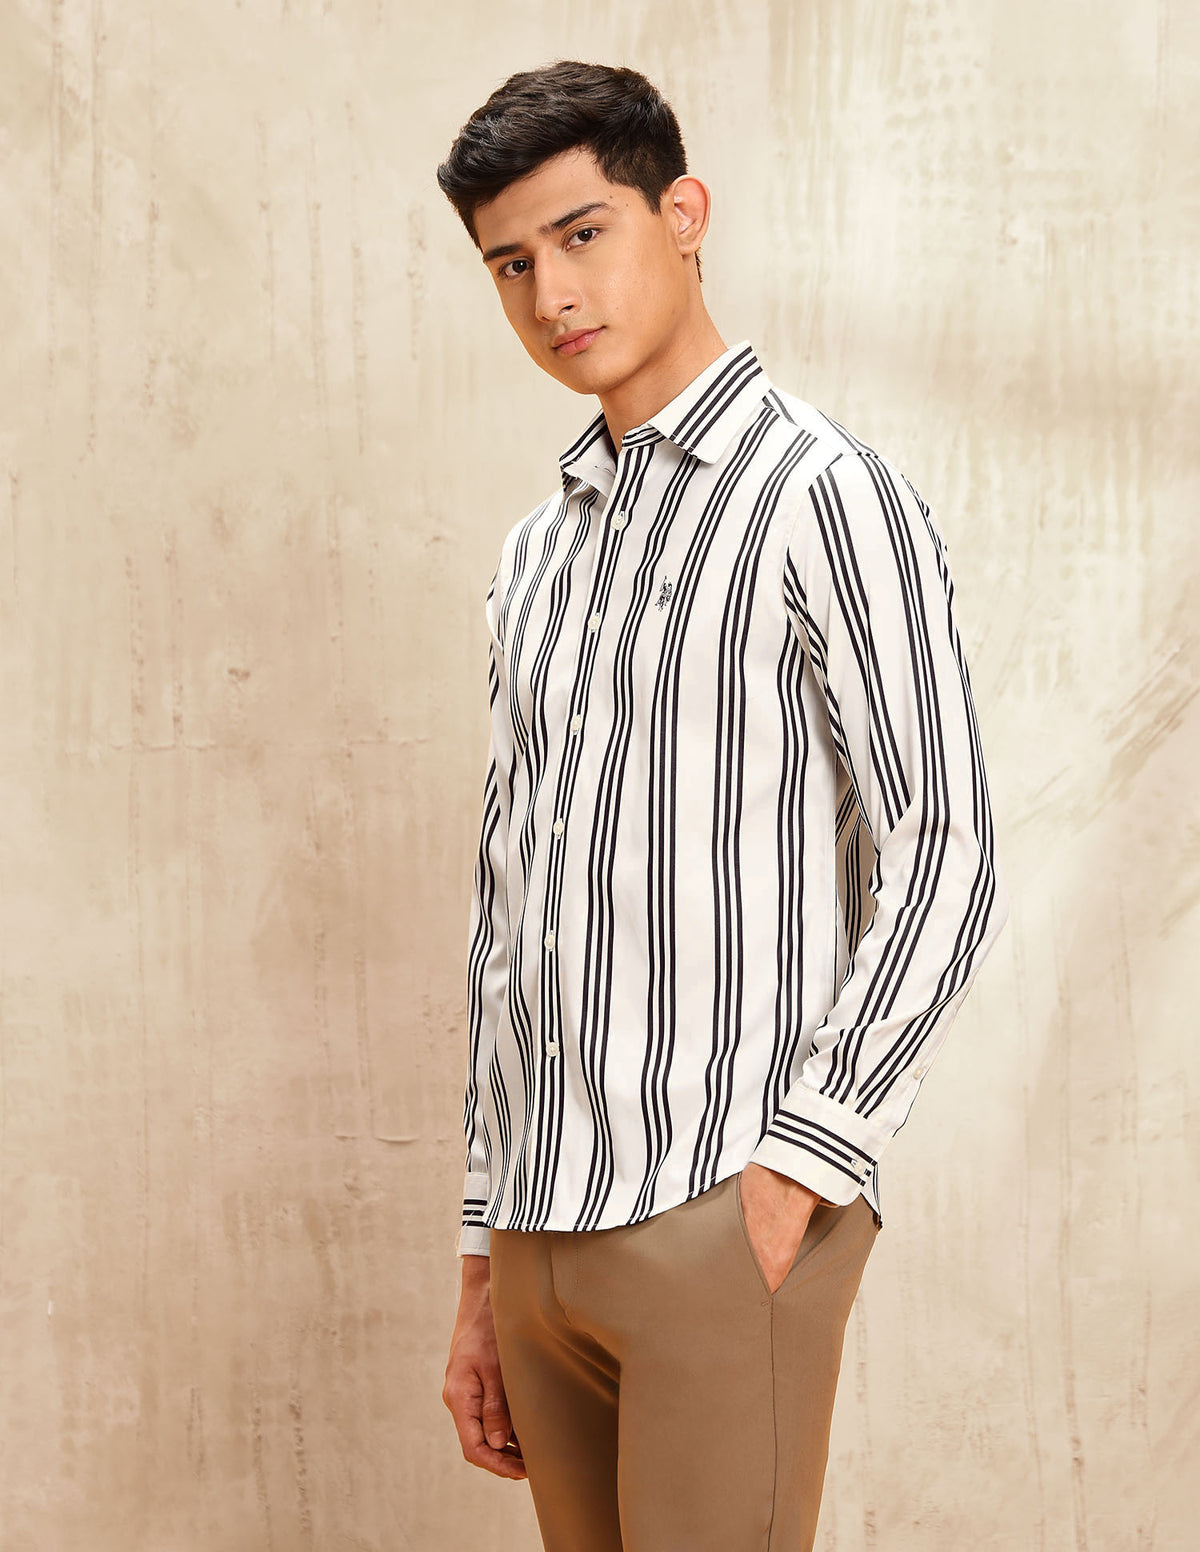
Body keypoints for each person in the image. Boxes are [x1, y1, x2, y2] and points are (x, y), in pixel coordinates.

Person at [435, 59, 1009, 1552]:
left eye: (583, 234)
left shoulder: (822, 493)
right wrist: (485, 1258)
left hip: (721, 1200)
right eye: (511, 263)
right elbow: (509, 911)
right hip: (540, 1233)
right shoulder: (536, 557)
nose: (553, 292)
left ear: (682, 214)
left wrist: (809, 1156)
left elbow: (943, 844)